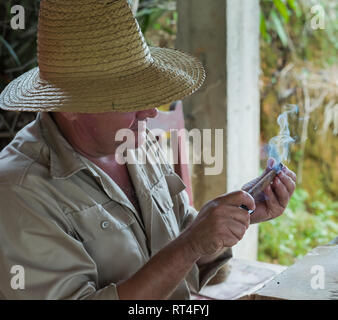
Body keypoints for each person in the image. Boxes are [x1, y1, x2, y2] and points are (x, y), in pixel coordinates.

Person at [0, 0, 296, 300]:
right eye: (130, 99)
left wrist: (239, 215)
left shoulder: (134, 144)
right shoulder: (17, 192)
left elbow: (190, 252)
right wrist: (192, 243)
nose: (151, 112)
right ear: (70, 104)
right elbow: (186, 246)